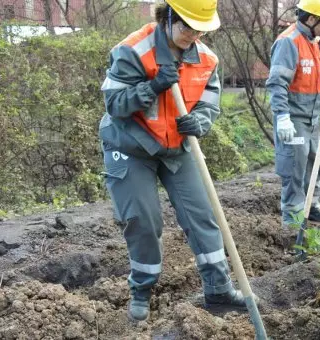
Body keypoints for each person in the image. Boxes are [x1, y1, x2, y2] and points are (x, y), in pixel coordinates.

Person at [99, 0, 251, 321]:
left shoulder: (207, 59)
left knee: (202, 215)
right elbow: (114, 103)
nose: (192, 35)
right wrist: (152, 87)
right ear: (167, 15)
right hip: (132, 145)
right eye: (186, 26)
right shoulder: (133, 50)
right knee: (143, 219)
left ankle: (218, 289)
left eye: (200, 29)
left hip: (177, 147)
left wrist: (200, 122)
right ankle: (141, 289)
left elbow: (209, 104)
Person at [266, 0, 320, 229]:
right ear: (312, 19)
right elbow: (277, 84)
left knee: (313, 163)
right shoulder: (289, 42)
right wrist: (282, 117)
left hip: (313, 118)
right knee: (294, 167)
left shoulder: (318, 43)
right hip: (293, 119)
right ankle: (294, 218)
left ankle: (311, 205)